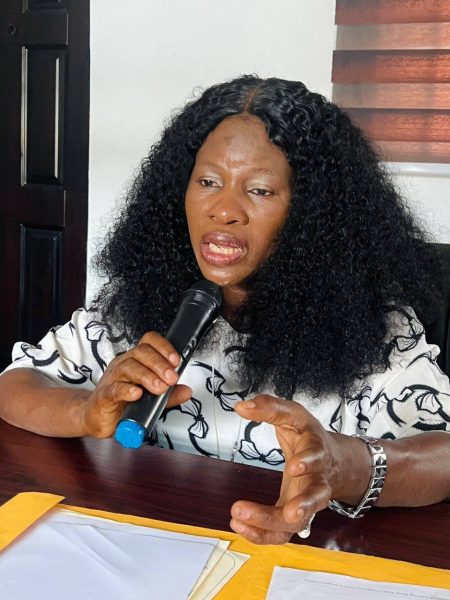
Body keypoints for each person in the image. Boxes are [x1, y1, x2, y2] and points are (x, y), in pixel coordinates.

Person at [0, 75, 449, 545]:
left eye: (260, 190)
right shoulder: (137, 304)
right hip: (156, 544)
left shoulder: (373, 328)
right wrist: (85, 412)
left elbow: (444, 456)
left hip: (294, 558)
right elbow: (16, 384)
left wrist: (344, 465)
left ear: (311, 213)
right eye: (208, 182)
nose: (224, 209)